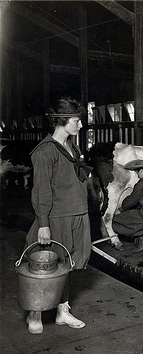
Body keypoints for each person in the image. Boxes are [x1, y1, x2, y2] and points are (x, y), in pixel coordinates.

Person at [25, 97, 93, 334]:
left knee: (69, 265)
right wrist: (43, 223)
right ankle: (35, 314)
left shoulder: (72, 147)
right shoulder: (45, 152)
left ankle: (62, 312)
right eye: (77, 121)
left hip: (78, 214)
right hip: (57, 217)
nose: (81, 126)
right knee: (45, 265)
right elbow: (41, 190)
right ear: (63, 121)